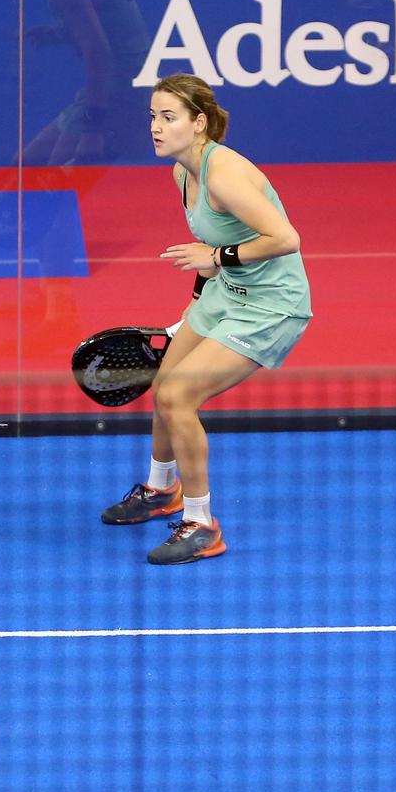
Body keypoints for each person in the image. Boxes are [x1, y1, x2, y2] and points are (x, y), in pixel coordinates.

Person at [100, 74, 311, 564]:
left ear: (199, 123)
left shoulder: (223, 174)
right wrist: (190, 312)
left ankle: (201, 524)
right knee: (164, 381)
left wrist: (217, 258)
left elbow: (285, 238)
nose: (156, 127)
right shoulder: (182, 172)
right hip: (222, 293)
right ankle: (161, 490)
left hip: (270, 306)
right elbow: (206, 261)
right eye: (152, 116)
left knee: (178, 396)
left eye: (168, 117)